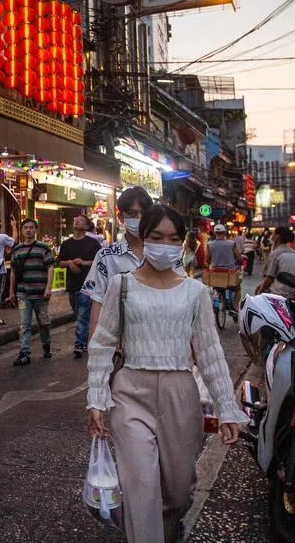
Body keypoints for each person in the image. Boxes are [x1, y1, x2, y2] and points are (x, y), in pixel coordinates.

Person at [87, 206, 248, 543]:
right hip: (130, 391)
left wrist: (227, 408)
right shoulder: (122, 286)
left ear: (183, 243)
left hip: (180, 393)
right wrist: (96, 400)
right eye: (157, 237)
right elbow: (102, 344)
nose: (165, 244)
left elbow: (209, 353)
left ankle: (170, 529)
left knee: (179, 492)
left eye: (174, 238)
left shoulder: (195, 292)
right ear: (143, 239)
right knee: (141, 487)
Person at [83, 187, 183, 339]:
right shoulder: (106, 257)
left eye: (144, 213)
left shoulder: (167, 254)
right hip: (122, 342)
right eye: (132, 213)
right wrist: (94, 349)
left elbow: (181, 294)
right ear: (121, 217)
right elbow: (98, 303)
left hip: (165, 337)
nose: (139, 218)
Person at [9, 219, 56, 366]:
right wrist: (11, 291)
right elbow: (13, 272)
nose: (28, 230)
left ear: (36, 230)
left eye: (31, 228)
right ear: (22, 231)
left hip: (40, 293)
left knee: (44, 322)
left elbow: (50, 267)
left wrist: (48, 288)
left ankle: (46, 345)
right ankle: (24, 353)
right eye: (25, 228)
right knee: (24, 324)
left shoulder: (43, 248)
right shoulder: (16, 250)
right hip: (23, 293)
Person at [57, 214, 101, 359]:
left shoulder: (93, 244)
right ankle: (88, 337)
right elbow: (60, 262)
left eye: (81, 221)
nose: (77, 221)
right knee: (79, 315)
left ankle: (79, 344)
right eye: (76, 219)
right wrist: (69, 262)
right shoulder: (66, 244)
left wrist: (84, 262)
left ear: (86, 226)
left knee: (82, 316)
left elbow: (100, 261)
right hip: (72, 285)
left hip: (87, 285)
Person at [257, 226, 295, 298]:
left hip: (280, 294)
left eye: (273, 233)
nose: (271, 235)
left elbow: (269, 279)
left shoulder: (275, 254)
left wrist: (260, 291)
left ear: (277, 237)